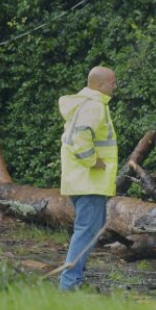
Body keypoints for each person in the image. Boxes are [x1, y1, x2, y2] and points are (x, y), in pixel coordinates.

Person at [58, 66, 118, 291]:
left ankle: (74, 280)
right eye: (112, 81)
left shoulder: (88, 103)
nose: (115, 85)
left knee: (94, 229)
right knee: (86, 231)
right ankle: (70, 284)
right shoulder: (94, 106)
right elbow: (80, 138)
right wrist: (93, 161)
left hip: (84, 181)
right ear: (100, 85)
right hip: (89, 181)